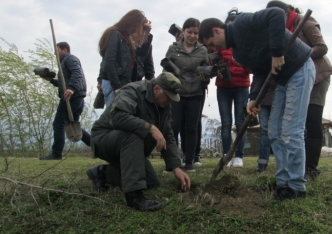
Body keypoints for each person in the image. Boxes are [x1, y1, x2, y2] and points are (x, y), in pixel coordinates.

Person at [199, 8, 315, 200]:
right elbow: (261, 70)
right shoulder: (239, 53)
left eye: (211, 43)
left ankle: (296, 186)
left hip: (299, 67)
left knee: (290, 130)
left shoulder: (242, 23)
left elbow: (276, 14)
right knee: (274, 131)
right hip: (283, 79)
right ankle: (283, 182)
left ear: (217, 31)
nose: (213, 49)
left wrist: (277, 53)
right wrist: (254, 98)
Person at [87, 72, 191, 211]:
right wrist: (150, 128)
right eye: (169, 97)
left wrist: (175, 167)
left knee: (150, 182)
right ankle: (134, 197)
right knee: (133, 135)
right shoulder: (133, 91)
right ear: (156, 89)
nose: (171, 102)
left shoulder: (164, 106)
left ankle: (102, 173)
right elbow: (118, 117)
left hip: (129, 149)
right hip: (104, 139)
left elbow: (168, 135)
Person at [266, 0, 332, 180]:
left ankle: (311, 167)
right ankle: (296, 166)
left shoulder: (305, 21)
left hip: (318, 77)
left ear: (286, 13)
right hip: (295, 80)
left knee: (312, 119)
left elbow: (321, 47)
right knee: (295, 123)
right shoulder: (277, 32)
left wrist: (299, 56)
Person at [165, 18, 209, 172]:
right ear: (183, 32)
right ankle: (171, 162)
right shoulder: (173, 49)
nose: (192, 35)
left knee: (191, 128)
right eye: (189, 32)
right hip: (177, 94)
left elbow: (207, 71)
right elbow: (166, 71)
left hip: (196, 94)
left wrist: (206, 78)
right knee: (173, 127)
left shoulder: (203, 50)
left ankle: (189, 161)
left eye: (196, 33)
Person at [39, 42, 91, 160]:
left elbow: (77, 74)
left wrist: (71, 88)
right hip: (77, 97)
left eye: (56, 50)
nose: (55, 53)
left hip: (71, 97)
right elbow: (64, 83)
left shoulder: (69, 59)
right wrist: (51, 80)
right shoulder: (66, 61)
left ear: (64, 50)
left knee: (59, 124)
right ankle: (97, 146)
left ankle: (56, 154)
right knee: (73, 127)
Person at [215, 8, 251, 168]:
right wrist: (218, 68)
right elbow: (213, 63)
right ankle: (226, 155)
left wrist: (242, 63)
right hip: (223, 87)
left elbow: (253, 67)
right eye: (229, 26)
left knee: (241, 121)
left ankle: (239, 156)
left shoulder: (246, 43)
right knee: (226, 122)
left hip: (242, 87)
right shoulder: (220, 44)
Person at [98, 9, 152, 106]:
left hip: (121, 82)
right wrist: (117, 87)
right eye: (139, 26)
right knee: (114, 116)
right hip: (114, 82)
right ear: (133, 23)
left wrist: (146, 33)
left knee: (120, 116)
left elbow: (141, 53)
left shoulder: (126, 37)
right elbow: (109, 62)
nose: (138, 30)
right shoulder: (114, 33)